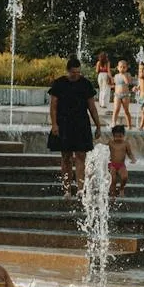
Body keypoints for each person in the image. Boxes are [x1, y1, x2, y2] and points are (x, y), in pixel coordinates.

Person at [46, 57, 100, 198]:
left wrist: (98, 125)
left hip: (81, 123)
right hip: (64, 123)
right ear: (67, 71)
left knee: (81, 156)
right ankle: (67, 190)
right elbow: (53, 106)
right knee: (66, 157)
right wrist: (54, 124)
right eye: (73, 72)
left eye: (78, 72)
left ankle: (81, 189)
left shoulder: (85, 84)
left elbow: (92, 107)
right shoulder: (59, 83)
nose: (76, 75)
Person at [104, 123, 135, 197]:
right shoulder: (110, 143)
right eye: (116, 136)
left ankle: (121, 188)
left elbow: (129, 153)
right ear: (113, 136)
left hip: (121, 165)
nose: (118, 138)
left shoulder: (125, 144)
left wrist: (133, 158)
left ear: (123, 135)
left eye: (120, 136)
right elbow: (104, 151)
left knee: (125, 177)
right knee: (113, 179)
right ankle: (113, 193)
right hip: (112, 165)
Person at [111, 60, 134, 127]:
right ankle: (113, 123)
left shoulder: (127, 74)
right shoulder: (116, 75)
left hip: (125, 95)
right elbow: (115, 84)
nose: (122, 68)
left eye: (124, 67)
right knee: (116, 110)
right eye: (121, 67)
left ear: (126, 68)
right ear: (118, 68)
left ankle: (129, 125)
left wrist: (124, 76)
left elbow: (128, 83)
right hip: (117, 95)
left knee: (126, 110)